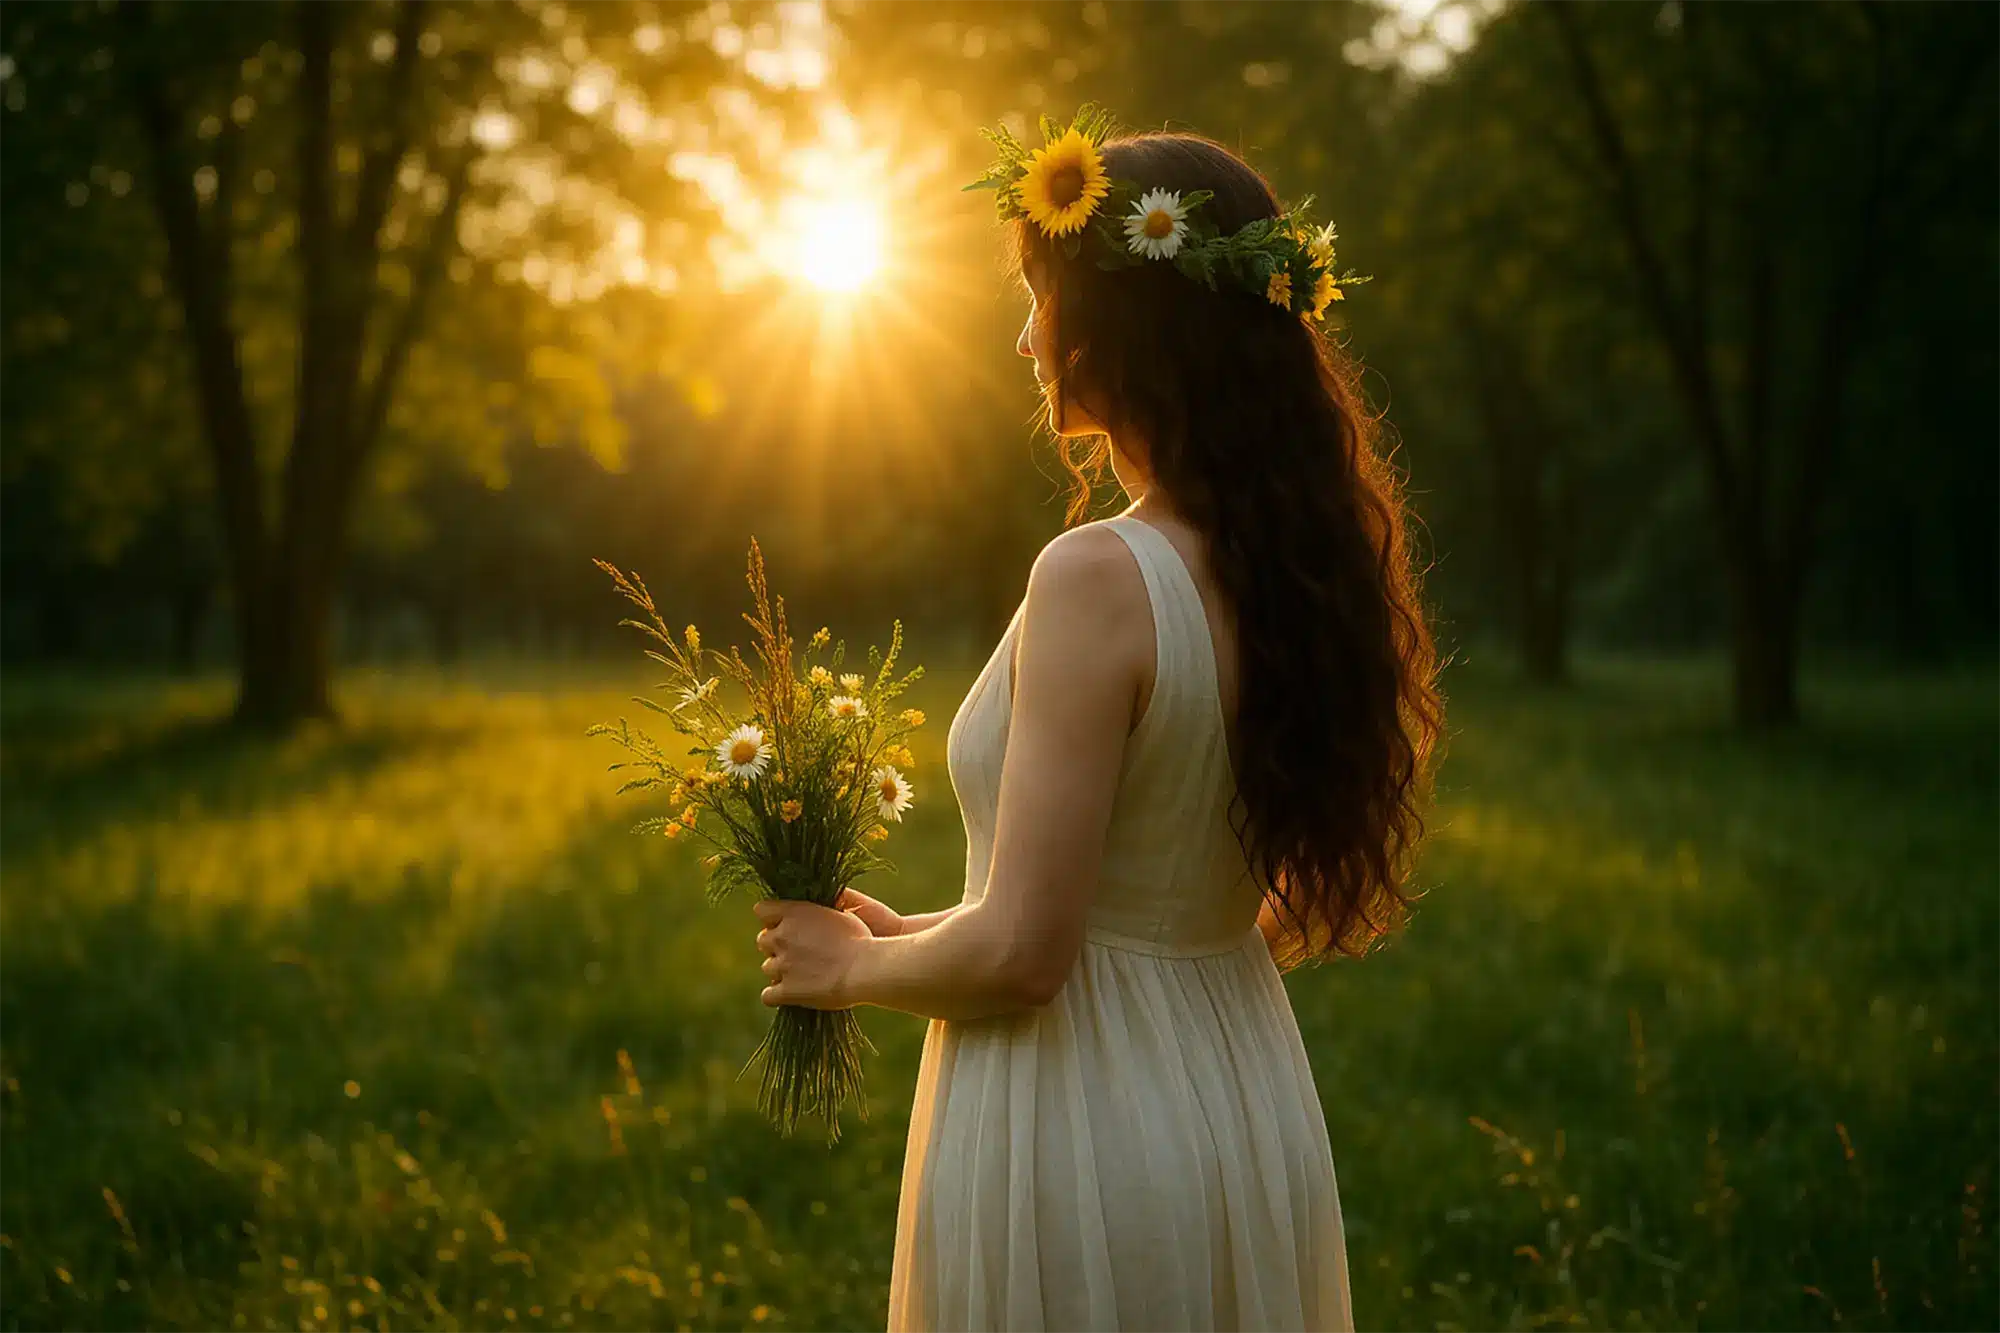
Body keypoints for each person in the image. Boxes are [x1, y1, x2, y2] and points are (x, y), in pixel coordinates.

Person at [751, 112, 1445, 1331]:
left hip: (1081, 1122)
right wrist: (925, 931)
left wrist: (852, 968)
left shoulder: (1097, 575)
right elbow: (1147, 895)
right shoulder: (1284, 571)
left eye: (1041, 296)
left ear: (1127, 327)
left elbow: (1030, 957)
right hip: (1236, 1098)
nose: (1025, 339)